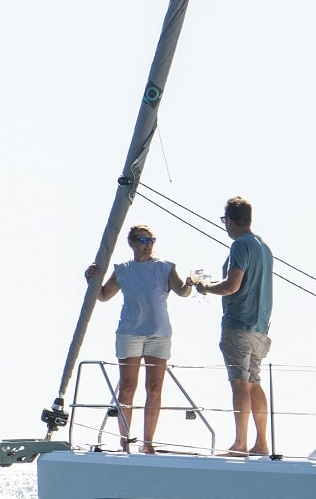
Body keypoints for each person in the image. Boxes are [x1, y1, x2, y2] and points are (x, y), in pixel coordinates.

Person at [84, 224, 191, 453]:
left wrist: (191, 283)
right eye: (143, 240)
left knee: (154, 388)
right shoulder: (123, 269)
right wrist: (90, 279)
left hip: (159, 334)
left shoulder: (165, 267)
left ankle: (148, 443)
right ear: (132, 243)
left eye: (151, 240)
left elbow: (183, 291)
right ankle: (125, 442)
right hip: (130, 333)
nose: (148, 245)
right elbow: (103, 295)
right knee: (127, 388)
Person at [192, 195, 273, 456]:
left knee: (239, 383)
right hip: (260, 328)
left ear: (230, 220)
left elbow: (231, 285)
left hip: (238, 324)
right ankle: (261, 443)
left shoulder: (240, 245)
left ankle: (240, 444)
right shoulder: (264, 247)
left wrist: (205, 287)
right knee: (254, 382)